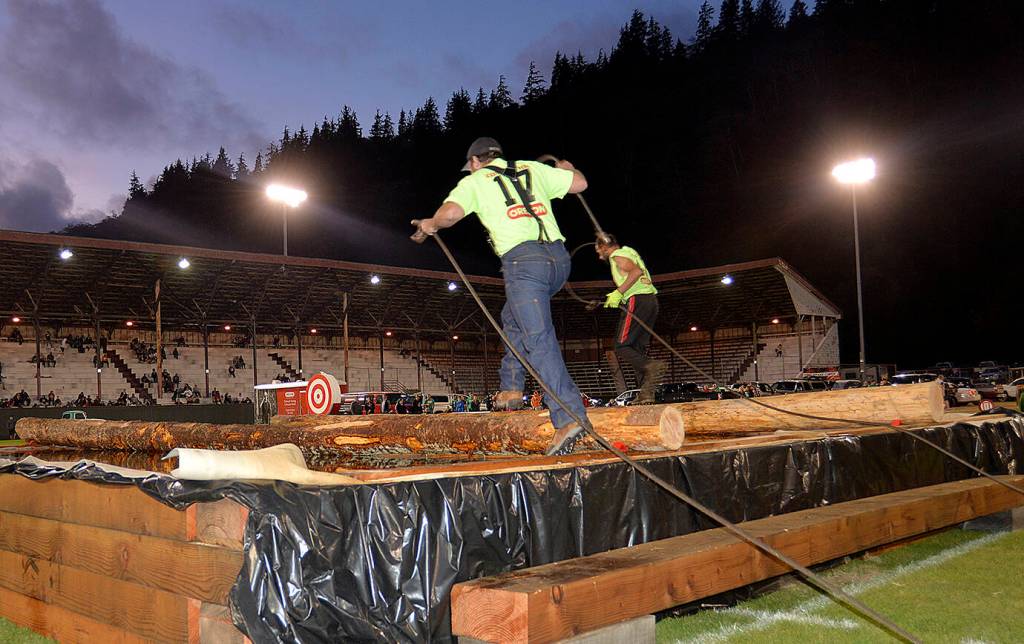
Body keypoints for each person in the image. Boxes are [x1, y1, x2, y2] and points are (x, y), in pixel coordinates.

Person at [414, 137, 590, 455]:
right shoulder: (532, 168)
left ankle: (569, 417)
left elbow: (451, 212)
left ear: (476, 162)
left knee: (538, 339)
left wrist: (431, 224)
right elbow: (579, 183)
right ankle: (511, 386)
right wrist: (567, 169)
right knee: (513, 316)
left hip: (524, 265)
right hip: (559, 261)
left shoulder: (477, 180)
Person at [595, 235, 663, 403]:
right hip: (649, 301)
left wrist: (619, 292)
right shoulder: (630, 252)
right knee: (636, 349)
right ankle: (646, 394)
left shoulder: (617, 255)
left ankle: (652, 366)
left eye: (598, 250)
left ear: (605, 246)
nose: (599, 255)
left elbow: (635, 271)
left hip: (637, 299)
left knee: (621, 346)